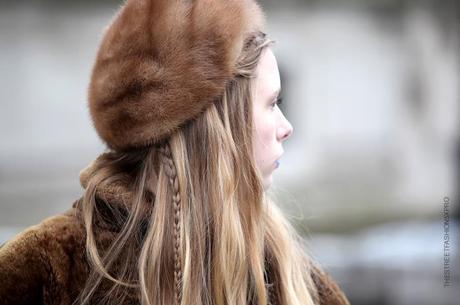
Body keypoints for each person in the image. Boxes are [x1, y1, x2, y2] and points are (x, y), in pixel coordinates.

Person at [0, 0, 350, 305]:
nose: (286, 126)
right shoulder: (50, 268)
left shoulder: (284, 272)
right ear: (214, 128)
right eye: (272, 103)